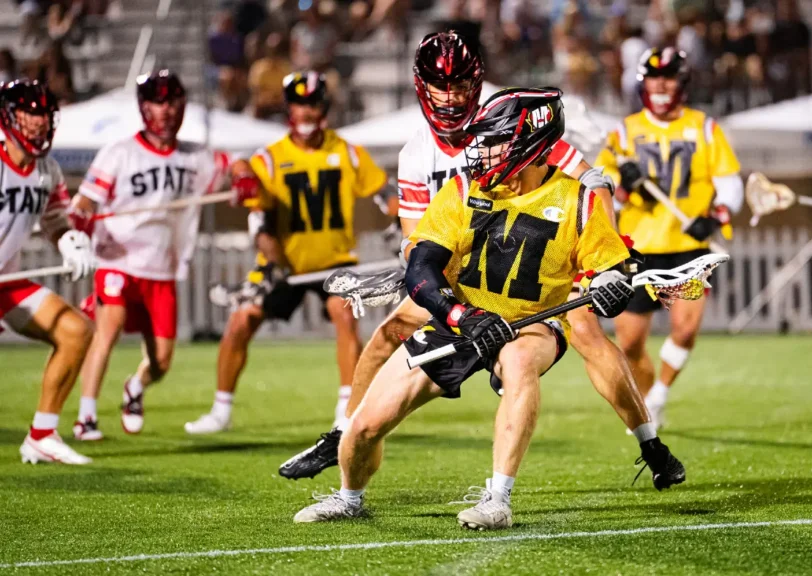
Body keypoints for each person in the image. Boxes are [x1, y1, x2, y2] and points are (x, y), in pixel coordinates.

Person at [279, 32, 683, 494]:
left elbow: (588, 179)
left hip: (534, 255)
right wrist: (420, 277)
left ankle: (650, 444)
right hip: (466, 269)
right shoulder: (416, 155)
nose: (450, 97)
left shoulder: (509, 118)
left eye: (458, 86)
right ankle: (344, 431)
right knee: (388, 333)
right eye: (440, 85)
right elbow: (418, 240)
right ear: (422, 86)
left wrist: (601, 256)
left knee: (588, 333)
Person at [184, 71, 392, 435]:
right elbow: (258, 219)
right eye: (299, 105)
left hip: (334, 262)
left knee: (343, 313)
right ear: (288, 110)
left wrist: (399, 213)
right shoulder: (269, 159)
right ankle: (221, 410)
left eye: (312, 104)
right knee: (241, 320)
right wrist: (241, 177)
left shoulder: (347, 153)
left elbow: (385, 191)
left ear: (323, 107)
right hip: (283, 265)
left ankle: (347, 408)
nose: (306, 112)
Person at [70, 70, 235, 441]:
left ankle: (135, 386)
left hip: (162, 268)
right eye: (158, 102)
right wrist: (78, 220)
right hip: (118, 260)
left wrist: (243, 178)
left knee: (161, 362)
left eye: (173, 102)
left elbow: (232, 167)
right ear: (144, 108)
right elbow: (84, 201)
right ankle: (87, 417)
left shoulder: (195, 156)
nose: (166, 110)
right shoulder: (120, 152)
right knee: (107, 330)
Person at [595, 47, 742, 430]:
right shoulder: (623, 133)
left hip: (688, 251)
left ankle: (659, 393)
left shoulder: (705, 128)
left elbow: (730, 184)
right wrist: (624, 186)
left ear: (683, 82)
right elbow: (598, 186)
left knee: (685, 329)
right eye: (654, 77)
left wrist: (713, 218)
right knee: (629, 345)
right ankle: (647, 401)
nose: (661, 85)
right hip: (637, 250)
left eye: (669, 77)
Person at [0, 80, 95, 464]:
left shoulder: (47, 170)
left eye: (43, 114)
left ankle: (42, 434)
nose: (38, 122)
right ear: (9, 115)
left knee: (77, 330)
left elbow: (56, 220)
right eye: (30, 113)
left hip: (6, 280)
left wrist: (71, 241)